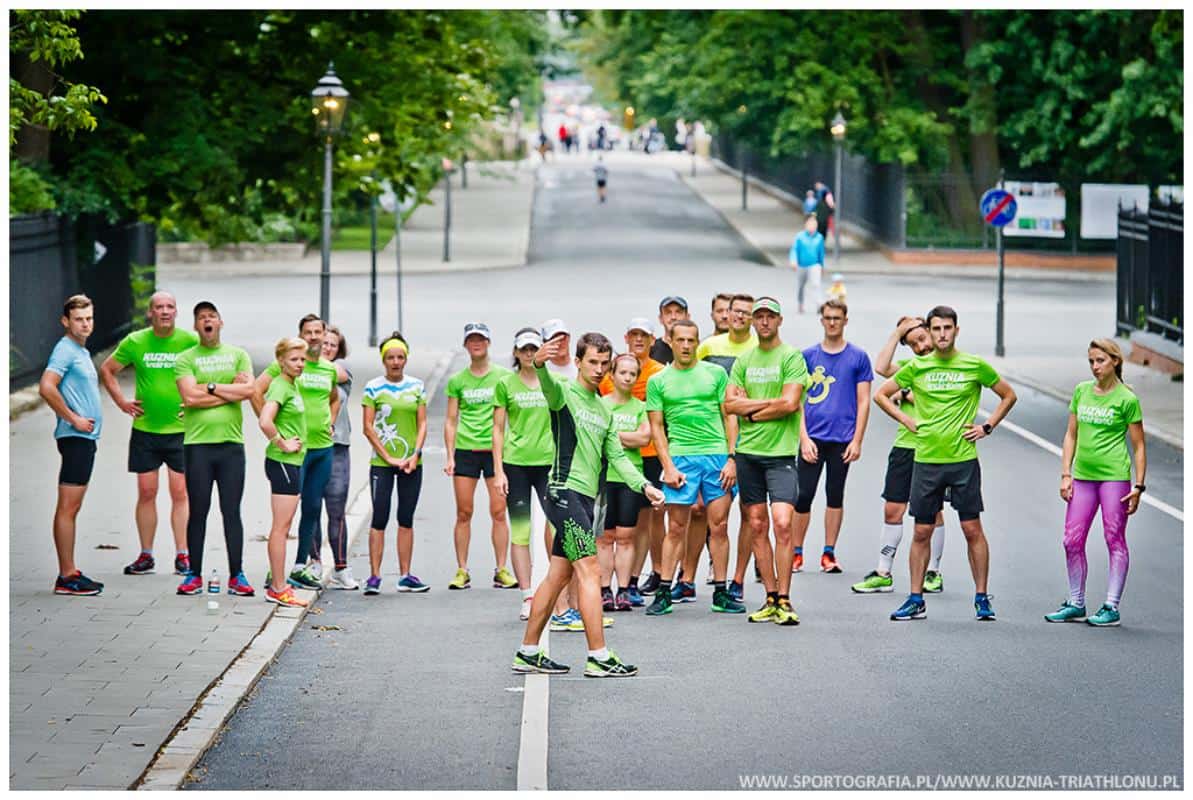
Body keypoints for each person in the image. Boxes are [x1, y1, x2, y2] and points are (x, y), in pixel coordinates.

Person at [511, 333, 665, 678]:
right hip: (563, 491)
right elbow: (546, 382)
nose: (598, 370)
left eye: (603, 364)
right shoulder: (564, 394)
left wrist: (645, 485)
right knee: (591, 571)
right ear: (578, 362)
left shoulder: (604, 409)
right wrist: (539, 361)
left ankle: (528, 650)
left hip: (584, 498)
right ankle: (598, 655)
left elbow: (618, 458)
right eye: (592, 362)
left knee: (559, 574)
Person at [874, 305, 1017, 622]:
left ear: (956, 330)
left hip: (963, 460)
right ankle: (915, 599)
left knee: (971, 529)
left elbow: (1008, 395)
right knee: (921, 531)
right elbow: (881, 394)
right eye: (936, 328)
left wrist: (987, 427)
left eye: (946, 328)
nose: (941, 334)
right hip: (926, 461)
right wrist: (905, 420)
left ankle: (982, 598)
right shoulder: (917, 365)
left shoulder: (974, 365)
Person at [644, 319, 746, 616]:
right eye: (681, 341)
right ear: (671, 343)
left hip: (716, 457)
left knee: (720, 526)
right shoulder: (659, 381)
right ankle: (664, 591)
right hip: (682, 459)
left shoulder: (715, 374)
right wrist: (668, 466)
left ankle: (721, 592)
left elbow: (730, 417)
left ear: (697, 343)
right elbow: (657, 428)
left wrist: (731, 458)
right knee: (675, 527)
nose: (686, 346)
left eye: (691, 340)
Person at [1045, 339, 1146, 627]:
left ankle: (1111, 606)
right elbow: (1071, 435)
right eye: (1091, 361)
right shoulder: (1081, 391)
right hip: (1083, 478)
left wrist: (1138, 486)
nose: (1094, 367)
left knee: (1114, 538)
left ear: (1115, 361)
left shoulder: (1127, 399)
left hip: (1114, 478)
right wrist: (1066, 473)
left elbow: (1139, 446)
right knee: (1071, 540)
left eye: (1100, 360)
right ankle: (1076, 602)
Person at [100, 290, 198, 577]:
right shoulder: (136, 341)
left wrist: (195, 402)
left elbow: (209, 374)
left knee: (180, 492)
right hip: (146, 430)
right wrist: (121, 402)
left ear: (176, 312)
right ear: (150, 313)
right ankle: (146, 555)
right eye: (159, 307)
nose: (165, 311)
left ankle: (183, 554)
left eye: (170, 306)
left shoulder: (189, 341)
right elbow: (108, 370)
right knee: (146, 491)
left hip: (180, 430)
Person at [724, 297, 808, 625]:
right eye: (758, 316)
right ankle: (770, 596)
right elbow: (730, 405)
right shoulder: (744, 360)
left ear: (779, 320)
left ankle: (786, 598)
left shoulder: (791, 357)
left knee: (783, 523)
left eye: (769, 316)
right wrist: (770, 403)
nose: (763, 322)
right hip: (749, 455)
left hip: (781, 455)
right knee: (756, 524)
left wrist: (754, 410)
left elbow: (790, 404)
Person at [852, 317, 947, 594]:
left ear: (932, 332)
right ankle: (883, 571)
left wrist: (907, 394)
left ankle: (933, 573)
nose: (920, 346)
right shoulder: (910, 368)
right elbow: (881, 367)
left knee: (934, 512)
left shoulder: (947, 367)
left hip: (934, 448)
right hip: (905, 446)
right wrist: (897, 332)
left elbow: (937, 401)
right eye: (913, 344)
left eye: (922, 338)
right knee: (893, 508)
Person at [173, 301, 256, 597]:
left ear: (220, 322)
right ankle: (193, 574)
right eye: (201, 318)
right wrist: (226, 392)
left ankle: (238, 575)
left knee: (231, 511)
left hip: (231, 446)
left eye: (212, 316)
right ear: (195, 326)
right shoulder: (185, 358)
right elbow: (190, 398)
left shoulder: (238, 355)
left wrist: (207, 387)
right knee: (199, 510)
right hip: (197, 446)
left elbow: (249, 390)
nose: (207, 321)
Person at [253, 314, 339, 591]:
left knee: (308, 510)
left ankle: (297, 568)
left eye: (318, 332)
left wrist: (331, 421)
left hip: (315, 450)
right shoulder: (281, 376)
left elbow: (335, 396)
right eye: (308, 332)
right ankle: (276, 581)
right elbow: (259, 399)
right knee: (282, 524)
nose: (314, 337)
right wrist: (278, 437)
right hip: (287, 456)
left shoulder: (322, 371)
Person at [792, 298, 873, 575]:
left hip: (842, 439)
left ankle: (829, 553)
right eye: (827, 317)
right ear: (821, 320)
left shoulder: (858, 358)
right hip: (813, 437)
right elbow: (797, 401)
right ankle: (796, 552)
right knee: (803, 495)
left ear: (845, 321)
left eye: (837, 318)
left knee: (834, 495)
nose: (832, 322)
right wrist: (803, 437)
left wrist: (857, 440)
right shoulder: (807, 357)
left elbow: (864, 401)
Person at [695, 293, 760, 598]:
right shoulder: (708, 347)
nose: (739, 317)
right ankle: (693, 574)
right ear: (726, 315)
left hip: (752, 441)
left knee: (749, 512)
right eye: (735, 311)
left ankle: (737, 579)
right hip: (711, 441)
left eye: (747, 313)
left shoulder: (759, 349)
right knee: (705, 512)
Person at [40, 295, 105, 595]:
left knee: (72, 507)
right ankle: (67, 576)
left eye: (89, 318)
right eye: (79, 319)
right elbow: (46, 387)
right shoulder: (65, 350)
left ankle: (70, 571)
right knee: (68, 507)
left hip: (84, 439)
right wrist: (73, 419)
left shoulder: (79, 350)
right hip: (75, 438)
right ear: (66, 321)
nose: (85, 324)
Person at [444, 322, 515, 590]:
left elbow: (511, 412)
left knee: (499, 511)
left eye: (481, 339)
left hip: (495, 451)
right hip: (466, 449)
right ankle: (462, 569)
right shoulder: (457, 380)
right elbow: (451, 420)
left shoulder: (503, 376)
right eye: (471, 340)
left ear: (488, 342)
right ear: (465, 345)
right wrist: (450, 456)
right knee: (464, 512)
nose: (476, 344)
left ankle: (502, 568)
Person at [599, 319, 664, 606]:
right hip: (604, 477)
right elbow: (595, 436)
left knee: (627, 535)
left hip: (631, 477)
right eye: (622, 372)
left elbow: (643, 439)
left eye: (632, 374)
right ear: (611, 374)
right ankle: (604, 589)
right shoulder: (600, 403)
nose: (627, 377)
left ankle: (624, 589)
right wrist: (624, 436)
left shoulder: (641, 407)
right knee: (604, 537)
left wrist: (612, 434)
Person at [493, 327, 554, 620]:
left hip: (547, 464)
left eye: (534, 349)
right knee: (521, 530)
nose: (530, 354)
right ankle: (527, 594)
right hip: (515, 464)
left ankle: (556, 590)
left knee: (556, 527)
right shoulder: (506, 384)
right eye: (525, 350)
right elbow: (498, 429)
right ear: (516, 353)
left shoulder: (552, 382)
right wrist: (497, 471)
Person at [362, 333, 429, 595]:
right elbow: (367, 426)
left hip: (412, 463)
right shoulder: (373, 387)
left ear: (406, 358)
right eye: (390, 357)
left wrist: (415, 453)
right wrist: (387, 457)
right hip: (382, 463)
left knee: (406, 518)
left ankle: (405, 575)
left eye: (400, 357)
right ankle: (374, 576)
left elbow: (423, 422)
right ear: (383, 360)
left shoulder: (416, 386)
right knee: (379, 517)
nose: (396, 362)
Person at [257, 338, 310, 608]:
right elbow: (264, 420)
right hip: (282, 462)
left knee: (284, 526)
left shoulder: (292, 383)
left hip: (292, 463)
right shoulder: (279, 385)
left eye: (302, 359)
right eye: (294, 359)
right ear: (280, 361)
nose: (300, 364)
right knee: (281, 528)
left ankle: (280, 585)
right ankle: (278, 587)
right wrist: (282, 443)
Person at [320, 324, 357, 589]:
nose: (328, 348)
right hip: (310, 446)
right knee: (311, 508)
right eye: (324, 343)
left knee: (336, 510)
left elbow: (335, 372)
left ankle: (341, 567)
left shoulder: (343, 373)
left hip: (338, 446)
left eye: (333, 344)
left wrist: (311, 359)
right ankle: (312, 562)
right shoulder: (302, 370)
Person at [789, 215, 825, 314]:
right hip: (802, 265)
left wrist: (822, 266)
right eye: (810, 223)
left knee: (816, 284)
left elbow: (821, 253)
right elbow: (794, 250)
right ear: (806, 224)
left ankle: (819, 304)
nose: (812, 225)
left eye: (814, 223)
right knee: (801, 285)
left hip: (814, 265)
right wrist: (793, 260)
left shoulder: (819, 238)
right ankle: (800, 303)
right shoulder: (800, 237)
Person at [650, 295, 689, 365]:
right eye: (668, 312)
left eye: (678, 312)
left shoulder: (695, 349)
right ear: (660, 318)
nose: (673, 317)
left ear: (687, 317)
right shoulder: (651, 350)